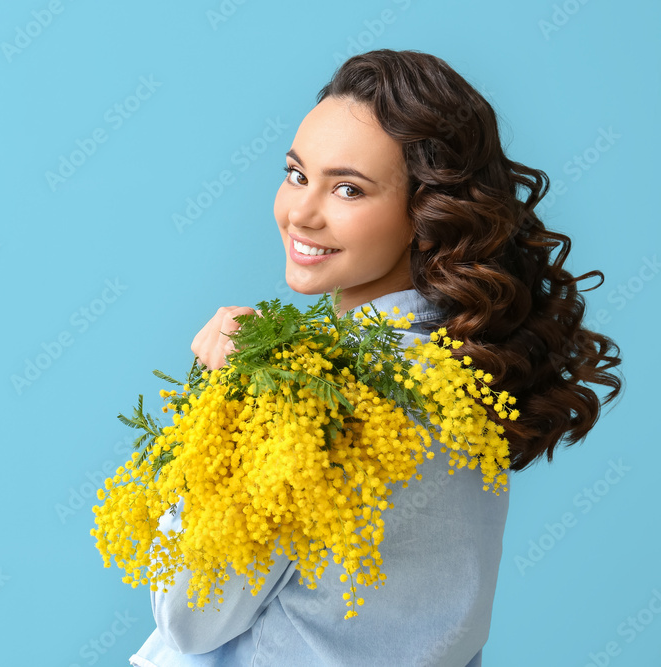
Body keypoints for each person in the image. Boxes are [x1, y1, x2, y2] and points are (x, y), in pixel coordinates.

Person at [128, 49, 622, 667]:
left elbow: (189, 618)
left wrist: (220, 402)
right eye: (296, 174)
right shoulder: (464, 374)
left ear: (425, 213)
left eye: (348, 189)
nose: (301, 213)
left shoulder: (316, 389)